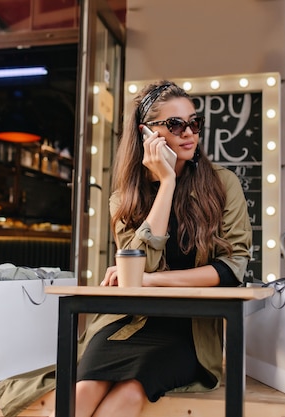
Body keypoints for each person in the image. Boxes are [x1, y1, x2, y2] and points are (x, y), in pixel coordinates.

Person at [69, 80, 252, 417]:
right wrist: (166, 183)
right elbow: (139, 264)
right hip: (127, 322)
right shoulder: (123, 199)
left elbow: (232, 268)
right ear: (146, 133)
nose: (189, 133)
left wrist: (153, 282)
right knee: (83, 392)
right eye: (175, 124)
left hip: (187, 332)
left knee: (130, 392)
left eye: (194, 123)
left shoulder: (223, 185)